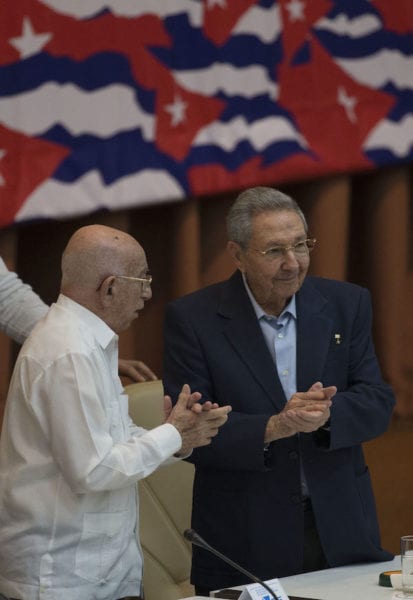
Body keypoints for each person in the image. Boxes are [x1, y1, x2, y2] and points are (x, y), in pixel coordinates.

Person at [163, 186, 395, 595]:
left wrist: (327, 417)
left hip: (340, 528)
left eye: (301, 245)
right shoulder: (193, 319)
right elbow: (190, 434)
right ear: (237, 255)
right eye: (274, 251)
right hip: (246, 534)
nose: (293, 263)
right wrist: (272, 427)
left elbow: (377, 400)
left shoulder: (347, 303)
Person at [0, 225, 231, 600]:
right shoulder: (69, 353)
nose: (148, 292)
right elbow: (93, 469)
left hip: (101, 575)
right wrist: (173, 434)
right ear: (109, 287)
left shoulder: (89, 342)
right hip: (61, 581)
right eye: (143, 279)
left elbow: (114, 443)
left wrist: (176, 437)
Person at [0, 255, 157, 382]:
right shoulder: (70, 361)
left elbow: (7, 296)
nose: (147, 294)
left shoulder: (75, 356)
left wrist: (89, 352)